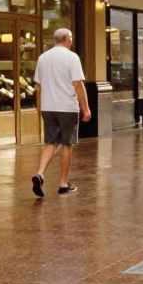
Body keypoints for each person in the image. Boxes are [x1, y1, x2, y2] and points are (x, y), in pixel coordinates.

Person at [30, 28, 91, 197]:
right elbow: (78, 84)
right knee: (67, 143)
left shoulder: (43, 57)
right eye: (71, 39)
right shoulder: (72, 57)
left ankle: (40, 173)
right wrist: (85, 108)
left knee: (50, 142)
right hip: (66, 107)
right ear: (68, 39)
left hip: (48, 106)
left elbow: (39, 83)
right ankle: (63, 183)